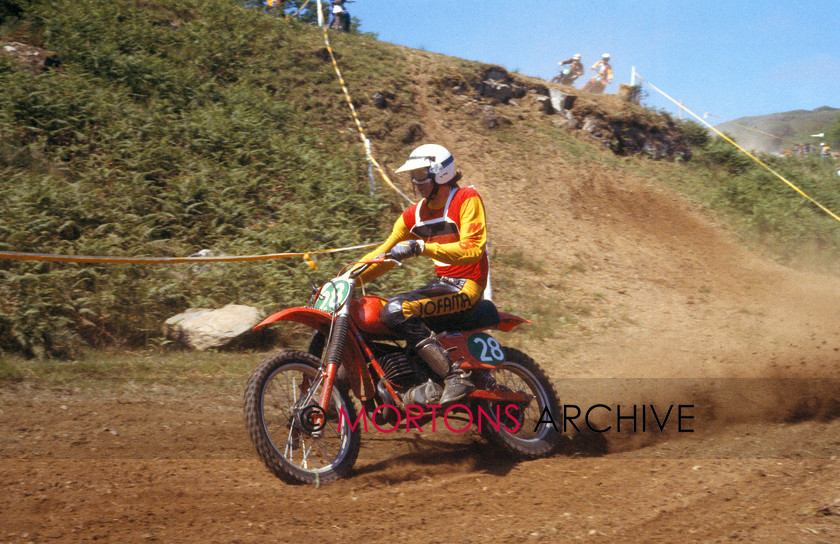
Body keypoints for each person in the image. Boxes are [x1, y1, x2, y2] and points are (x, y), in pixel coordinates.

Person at [356, 144, 490, 405]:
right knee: (383, 310)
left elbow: (473, 248)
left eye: (420, 175)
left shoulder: (466, 199)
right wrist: (350, 277)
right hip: (442, 284)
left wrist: (422, 247)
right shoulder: (414, 214)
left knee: (397, 310)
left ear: (440, 174)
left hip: (468, 287)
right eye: (413, 176)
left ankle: (455, 377)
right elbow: (383, 254)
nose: (415, 182)